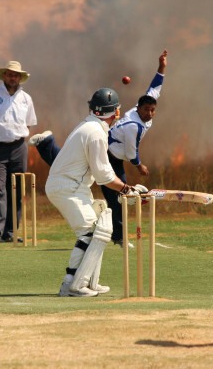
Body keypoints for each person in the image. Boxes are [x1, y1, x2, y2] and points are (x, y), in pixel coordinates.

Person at [30, 49, 168, 246]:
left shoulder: (96, 123)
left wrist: (161, 68)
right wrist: (130, 181)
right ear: (122, 110)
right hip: (111, 153)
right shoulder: (130, 127)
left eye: (153, 109)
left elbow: (154, 89)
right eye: (147, 109)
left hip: (95, 162)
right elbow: (130, 154)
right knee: (112, 197)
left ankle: (46, 145)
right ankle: (118, 237)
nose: (151, 112)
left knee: (80, 167)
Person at [45, 88, 145, 297]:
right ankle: (71, 285)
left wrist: (127, 189)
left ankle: (90, 282)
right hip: (67, 188)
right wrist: (128, 189)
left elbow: (102, 173)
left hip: (73, 186)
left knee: (100, 231)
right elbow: (104, 176)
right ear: (115, 112)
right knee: (90, 234)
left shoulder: (90, 126)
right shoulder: (96, 133)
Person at [0, 60, 37, 244]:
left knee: (17, 190)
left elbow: (28, 124)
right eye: (10, 74)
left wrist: (15, 138)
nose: (13, 77)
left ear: (20, 78)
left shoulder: (26, 99)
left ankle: (10, 232)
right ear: (4, 76)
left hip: (19, 148)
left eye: (16, 75)